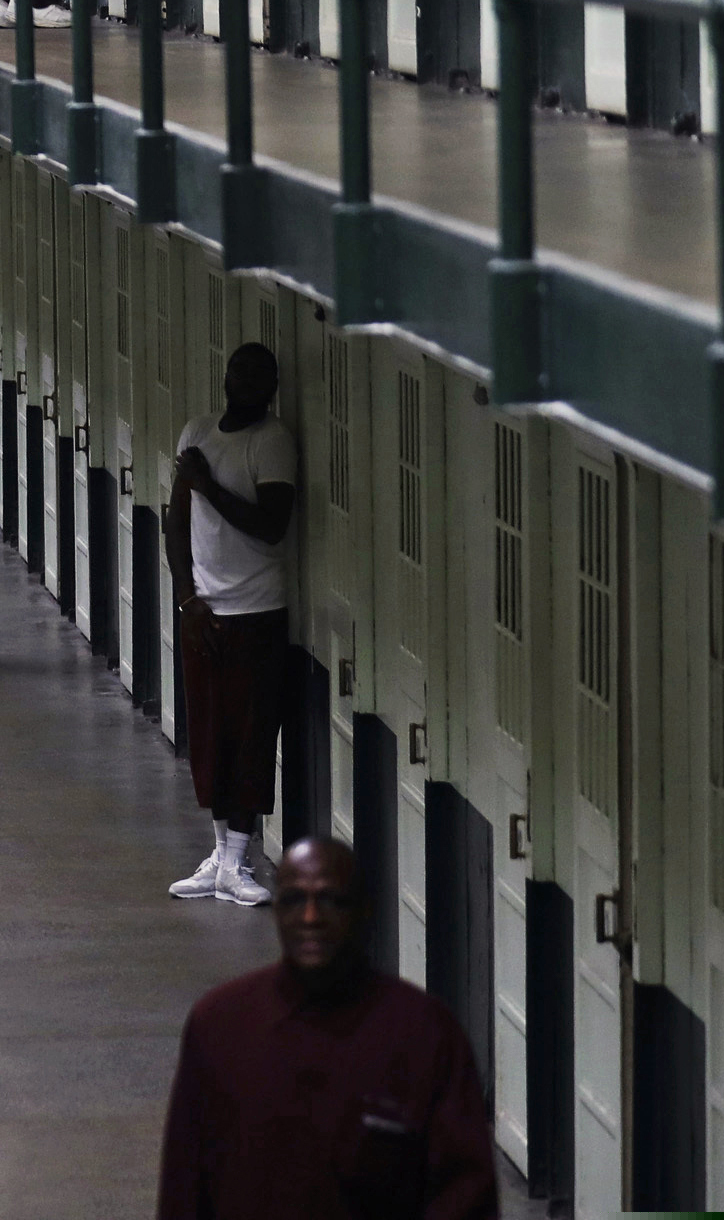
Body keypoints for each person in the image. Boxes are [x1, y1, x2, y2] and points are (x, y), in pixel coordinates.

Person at [156, 838, 498, 1220]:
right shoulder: (220, 1026)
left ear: (365, 911)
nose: (311, 917)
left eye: (331, 900)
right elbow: (184, 1187)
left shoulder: (424, 1035)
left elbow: (466, 1198)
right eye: (294, 900)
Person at [165, 342, 298, 908]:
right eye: (238, 370)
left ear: (271, 387)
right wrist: (185, 598)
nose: (244, 381)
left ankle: (240, 860)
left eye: (258, 375)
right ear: (224, 376)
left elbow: (271, 526)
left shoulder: (273, 442)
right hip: (204, 610)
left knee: (249, 736)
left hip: (255, 610)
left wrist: (209, 487)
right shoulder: (196, 431)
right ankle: (219, 855)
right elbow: (176, 520)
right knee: (211, 736)